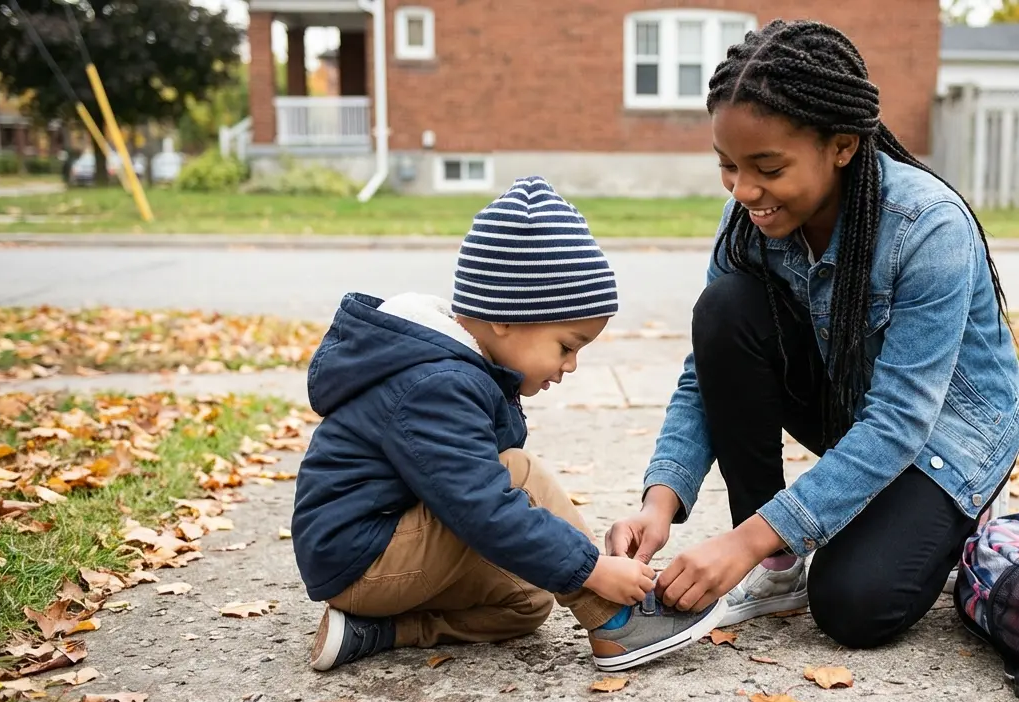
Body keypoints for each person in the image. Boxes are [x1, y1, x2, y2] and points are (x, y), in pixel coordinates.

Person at [606, 20, 1019, 649]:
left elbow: (898, 421)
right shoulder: (749, 219)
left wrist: (741, 543)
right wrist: (659, 501)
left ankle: (957, 516)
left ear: (842, 145)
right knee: (724, 308)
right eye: (728, 166)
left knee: (854, 606)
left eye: (767, 167)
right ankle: (779, 567)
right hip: (850, 404)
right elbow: (709, 372)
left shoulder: (928, 225)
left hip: (946, 434)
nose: (744, 190)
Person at [291, 177, 724, 673]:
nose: (570, 366)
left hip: (380, 553)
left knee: (527, 598)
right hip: (361, 557)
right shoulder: (435, 383)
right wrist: (594, 570)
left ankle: (374, 632)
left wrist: (567, 568)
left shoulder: (456, 368)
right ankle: (618, 621)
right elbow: (482, 506)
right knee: (519, 474)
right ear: (506, 319)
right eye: (566, 346)